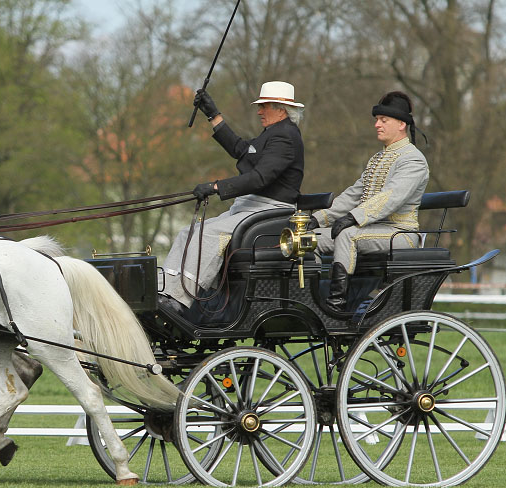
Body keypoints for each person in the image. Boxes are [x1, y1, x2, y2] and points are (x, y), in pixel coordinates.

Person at [160, 81, 305, 316]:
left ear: (281, 108)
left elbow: (259, 178)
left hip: (270, 211)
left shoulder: (285, 138)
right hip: (251, 207)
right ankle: (165, 292)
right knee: (188, 231)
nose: (259, 111)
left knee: (206, 234)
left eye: (264, 106)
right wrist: (213, 115)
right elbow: (242, 151)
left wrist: (216, 186)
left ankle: (181, 300)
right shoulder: (273, 134)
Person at [309, 90, 429, 313]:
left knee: (347, 234)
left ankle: (336, 305)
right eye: (377, 120)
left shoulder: (413, 159)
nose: (377, 125)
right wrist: (318, 219)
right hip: (372, 229)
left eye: (384, 120)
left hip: (400, 233)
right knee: (307, 240)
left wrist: (353, 218)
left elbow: (390, 198)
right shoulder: (378, 158)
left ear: (401, 124)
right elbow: (353, 194)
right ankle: (312, 301)